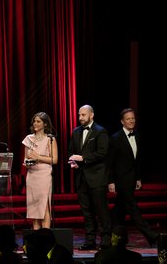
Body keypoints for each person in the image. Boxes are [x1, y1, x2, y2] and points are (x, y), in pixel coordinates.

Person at [106, 108, 159, 246]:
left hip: (131, 179)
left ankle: (110, 234)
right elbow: (109, 162)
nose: (131, 121)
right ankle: (151, 235)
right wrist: (110, 181)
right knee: (133, 208)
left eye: (133, 118)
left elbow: (137, 161)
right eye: (128, 119)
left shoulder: (137, 136)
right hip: (121, 180)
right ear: (122, 121)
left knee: (119, 210)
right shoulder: (115, 138)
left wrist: (138, 178)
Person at [68, 104, 111, 250]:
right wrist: (73, 161)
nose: (80, 118)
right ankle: (90, 240)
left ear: (91, 115)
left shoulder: (100, 131)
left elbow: (102, 153)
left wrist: (83, 158)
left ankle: (106, 240)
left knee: (101, 210)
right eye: (79, 115)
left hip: (97, 178)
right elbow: (71, 150)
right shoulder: (75, 132)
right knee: (87, 212)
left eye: (83, 115)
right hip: (81, 178)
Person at [22, 112, 58, 230]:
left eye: (38, 121)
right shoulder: (28, 138)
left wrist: (38, 157)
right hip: (32, 175)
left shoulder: (50, 139)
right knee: (34, 208)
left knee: (44, 205)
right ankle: (36, 237)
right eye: (34, 121)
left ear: (45, 123)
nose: (35, 123)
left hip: (44, 175)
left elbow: (54, 159)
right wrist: (27, 163)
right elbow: (26, 158)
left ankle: (46, 236)